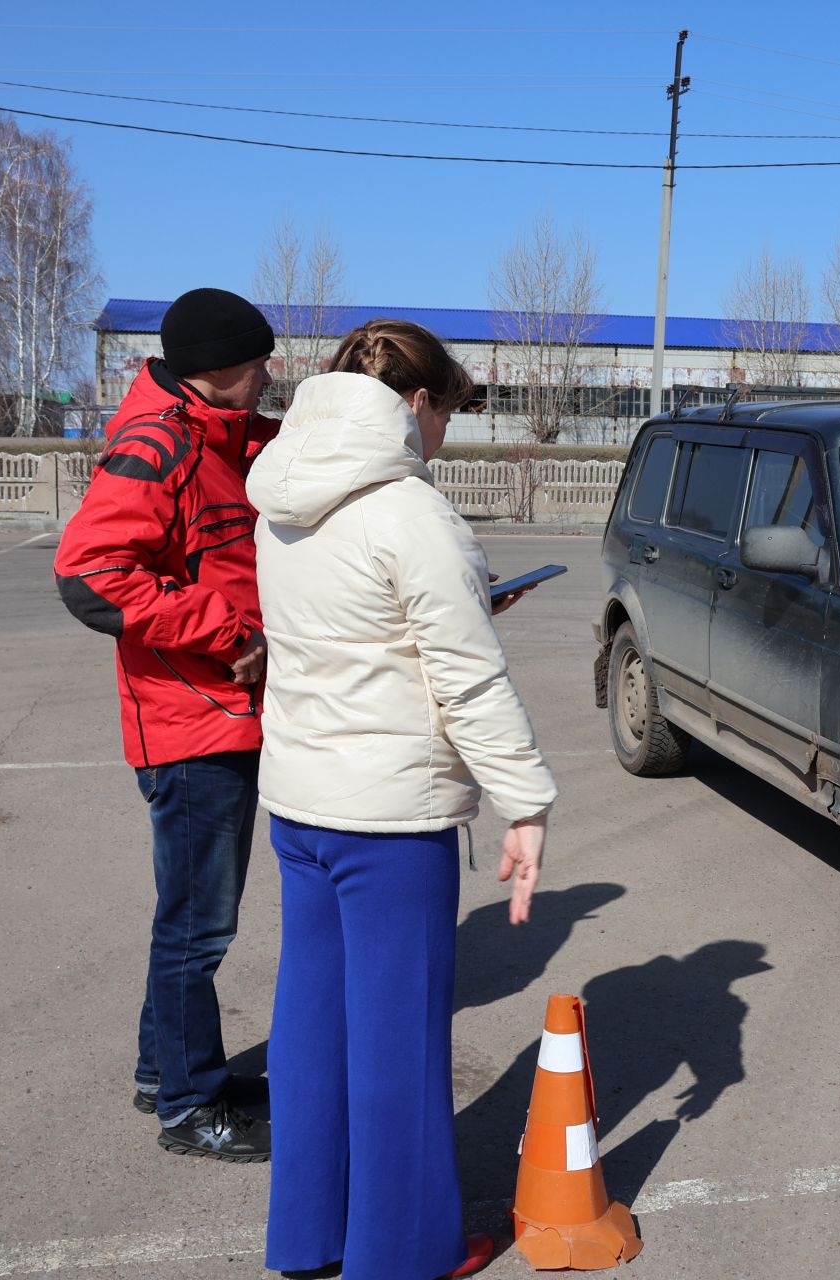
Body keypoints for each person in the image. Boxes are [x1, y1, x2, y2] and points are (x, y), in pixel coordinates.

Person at [247, 318, 556, 1279]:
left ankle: (308, 1234)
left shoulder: (281, 497)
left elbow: (333, 636)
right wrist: (526, 803)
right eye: (449, 411)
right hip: (388, 816)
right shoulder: (412, 515)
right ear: (414, 403)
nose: (446, 433)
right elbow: (465, 682)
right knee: (399, 1046)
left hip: (300, 800)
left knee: (309, 1023)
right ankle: (404, 1253)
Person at [53, 287, 277, 1162]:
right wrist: (228, 638)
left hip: (221, 713)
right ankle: (189, 1107)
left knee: (188, 917)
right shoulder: (160, 444)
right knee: (198, 926)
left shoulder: (223, 435)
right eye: (257, 361)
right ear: (218, 368)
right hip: (192, 724)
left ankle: (166, 1071)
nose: (268, 373)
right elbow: (91, 575)